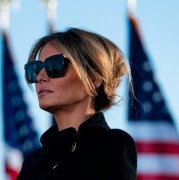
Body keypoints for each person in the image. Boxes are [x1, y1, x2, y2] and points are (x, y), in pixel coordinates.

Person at [17, 27, 137, 180]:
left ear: (94, 78)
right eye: (35, 69)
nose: (40, 77)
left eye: (54, 65)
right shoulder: (32, 162)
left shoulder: (112, 144)